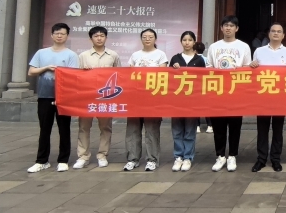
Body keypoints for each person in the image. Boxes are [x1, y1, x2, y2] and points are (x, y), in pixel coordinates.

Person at [27, 23, 79, 173]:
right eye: (57, 33)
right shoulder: (41, 53)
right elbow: (31, 71)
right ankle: (41, 161)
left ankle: (63, 160)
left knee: (64, 129)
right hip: (44, 95)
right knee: (44, 129)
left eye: (62, 33)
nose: (59, 36)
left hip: (63, 97)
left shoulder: (71, 55)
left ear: (67, 36)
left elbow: (73, 76)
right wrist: (46, 68)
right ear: (51, 35)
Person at [207, 15, 252, 173]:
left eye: (231, 25)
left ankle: (232, 155)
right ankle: (220, 156)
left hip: (235, 91)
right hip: (218, 91)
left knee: (234, 126)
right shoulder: (214, 47)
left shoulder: (244, 47)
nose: (228, 28)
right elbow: (209, 67)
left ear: (236, 28)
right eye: (225, 25)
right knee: (218, 126)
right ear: (221, 28)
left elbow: (247, 68)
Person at [250, 22, 286, 172]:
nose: (276, 33)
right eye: (273, 31)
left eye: (279, 31)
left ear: (283, 35)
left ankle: (276, 159)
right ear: (269, 34)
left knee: (278, 130)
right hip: (263, 96)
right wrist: (252, 66)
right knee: (262, 130)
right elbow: (253, 74)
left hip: (280, 97)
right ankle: (261, 159)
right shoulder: (259, 51)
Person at [74, 26, 121, 169]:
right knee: (84, 127)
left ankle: (102, 155)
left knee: (105, 127)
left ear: (106, 38)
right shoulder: (83, 56)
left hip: (106, 97)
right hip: (87, 96)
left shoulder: (113, 55)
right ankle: (83, 156)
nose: (99, 38)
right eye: (96, 36)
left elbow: (120, 76)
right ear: (90, 39)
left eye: (102, 36)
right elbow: (76, 77)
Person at [125, 28, 168, 172]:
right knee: (132, 130)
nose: (147, 39)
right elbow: (129, 74)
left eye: (150, 36)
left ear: (155, 39)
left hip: (152, 98)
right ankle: (132, 159)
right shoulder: (135, 55)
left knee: (151, 130)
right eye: (144, 37)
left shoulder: (161, 55)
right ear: (141, 39)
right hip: (135, 97)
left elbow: (162, 74)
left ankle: (152, 160)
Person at [169, 32, 207, 172]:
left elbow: (203, 80)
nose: (187, 42)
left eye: (190, 40)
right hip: (177, 100)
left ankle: (188, 157)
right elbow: (168, 79)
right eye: (184, 40)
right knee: (177, 130)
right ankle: (178, 156)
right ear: (181, 42)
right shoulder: (175, 58)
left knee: (190, 130)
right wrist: (173, 69)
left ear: (194, 42)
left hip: (192, 101)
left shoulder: (199, 60)